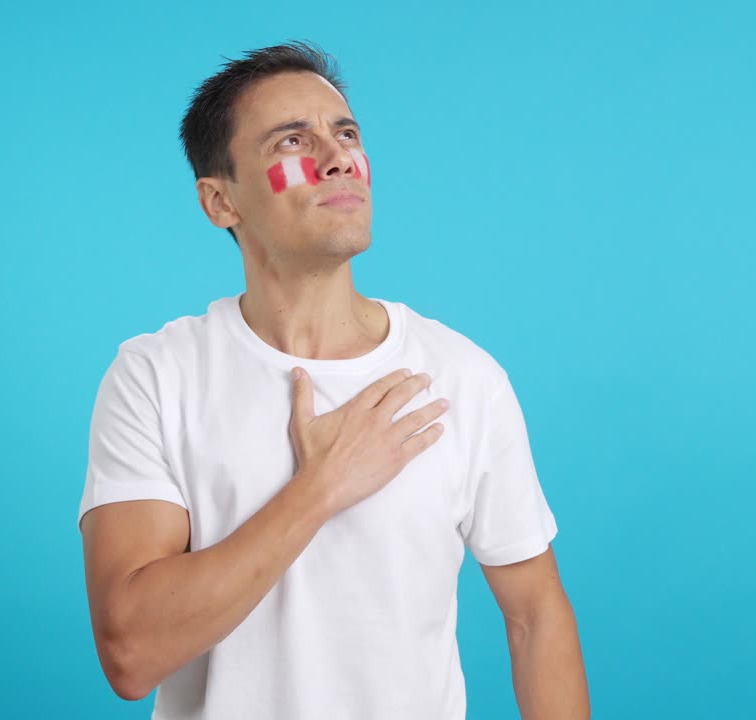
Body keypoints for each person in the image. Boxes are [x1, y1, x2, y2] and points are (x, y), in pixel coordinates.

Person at [76, 40, 590, 719]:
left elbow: (535, 616)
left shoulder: (461, 377)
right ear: (219, 201)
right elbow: (130, 653)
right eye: (293, 140)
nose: (338, 156)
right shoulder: (156, 376)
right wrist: (319, 489)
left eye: (345, 133)